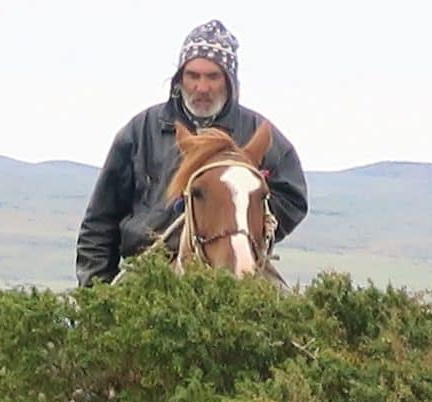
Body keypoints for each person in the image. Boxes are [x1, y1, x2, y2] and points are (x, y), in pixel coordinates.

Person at [75, 20, 309, 286]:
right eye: (193, 75)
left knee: (292, 320)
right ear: (179, 78)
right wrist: (95, 292)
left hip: (239, 262)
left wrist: (245, 223)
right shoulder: (140, 131)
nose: (202, 87)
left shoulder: (258, 132)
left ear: (229, 81)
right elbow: (100, 221)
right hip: (148, 268)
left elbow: (293, 198)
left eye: (213, 76)